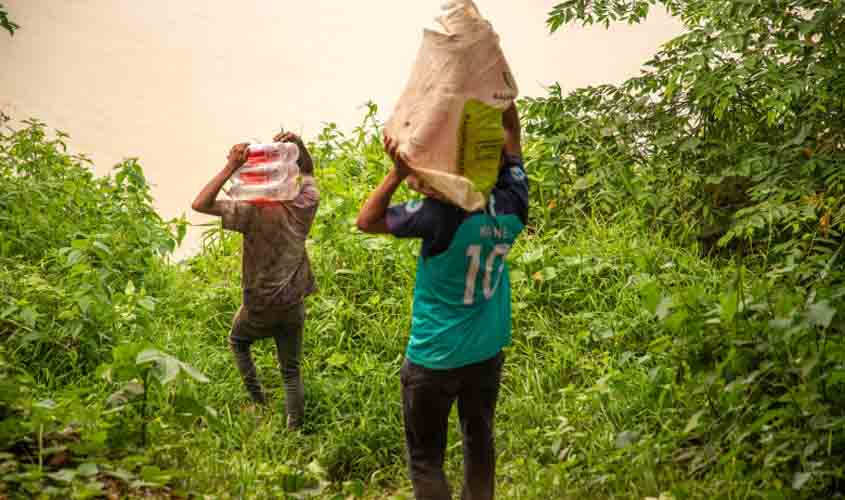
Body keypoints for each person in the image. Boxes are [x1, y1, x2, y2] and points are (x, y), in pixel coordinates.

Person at [356, 103, 527, 499]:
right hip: (486, 352)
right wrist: (499, 94)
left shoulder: (440, 215)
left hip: (434, 357)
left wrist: (398, 171)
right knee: (479, 439)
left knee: (426, 459)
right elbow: (514, 138)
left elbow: (367, 220)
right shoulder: (516, 202)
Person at [191, 132, 319, 429]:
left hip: (259, 305)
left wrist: (230, 167)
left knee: (237, 341)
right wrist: (299, 146)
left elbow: (200, 203)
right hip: (293, 303)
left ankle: (258, 401)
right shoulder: (303, 207)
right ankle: (294, 429)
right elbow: (310, 173)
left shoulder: (249, 212)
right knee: (291, 370)